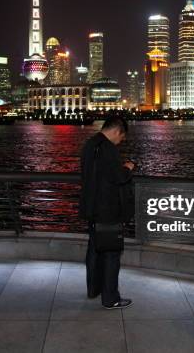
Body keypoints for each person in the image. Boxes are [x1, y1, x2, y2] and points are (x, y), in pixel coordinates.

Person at [79, 116, 135, 309]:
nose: (122, 141)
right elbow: (118, 177)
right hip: (108, 211)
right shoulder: (109, 149)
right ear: (117, 131)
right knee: (111, 254)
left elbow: (96, 175)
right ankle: (111, 298)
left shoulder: (90, 144)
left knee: (95, 251)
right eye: (122, 137)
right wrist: (127, 168)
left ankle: (94, 289)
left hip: (92, 208)